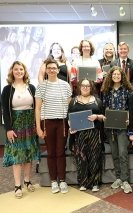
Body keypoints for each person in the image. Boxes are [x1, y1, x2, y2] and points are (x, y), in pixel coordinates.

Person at [1, 61, 40, 198]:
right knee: (17, 156)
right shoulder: (7, 89)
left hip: (30, 124)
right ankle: (18, 185)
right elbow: (5, 110)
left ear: (25, 71)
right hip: (15, 126)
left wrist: (37, 125)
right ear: (12, 71)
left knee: (29, 154)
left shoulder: (32, 87)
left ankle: (27, 181)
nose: (19, 71)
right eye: (16, 69)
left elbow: (37, 108)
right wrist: (8, 129)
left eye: (21, 69)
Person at [35, 59, 72, 194]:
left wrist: (70, 123)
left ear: (58, 70)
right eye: (49, 68)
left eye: (54, 68)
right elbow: (38, 109)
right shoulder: (41, 86)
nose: (51, 70)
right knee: (51, 153)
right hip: (47, 123)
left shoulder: (65, 85)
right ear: (46, 70)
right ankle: (53, 181)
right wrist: (38, 127)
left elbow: (69, 107)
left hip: (62, 123)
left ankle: (62, 180)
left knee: (60, 152)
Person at [101, 66, 133, 194]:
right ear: (110, 76)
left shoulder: (127, 90)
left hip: (122, 126)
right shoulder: (106, 90)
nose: (116, 76)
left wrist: (129, 118)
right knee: (114, 153)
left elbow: (130, 108)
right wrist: (105, 116)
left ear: (122, 76)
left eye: (118, 74)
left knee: (122, 153)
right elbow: (105, 107)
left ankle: (125, 180)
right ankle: (119, 178)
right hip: (110, 127)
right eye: (114, 74)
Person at [68, 79, 105, 192]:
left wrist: (97, 116)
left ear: (91, 87)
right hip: (78, 134)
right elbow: (68, 117)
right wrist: (71, 127)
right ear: (79, 87)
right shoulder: (73, 101)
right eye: (83, 85)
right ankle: (83, 182)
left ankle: (95, 183)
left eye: (87, 86)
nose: (85, 87)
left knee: (95, 158)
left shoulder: (97, 101)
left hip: (94, 133)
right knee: (81, 158)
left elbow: (104, 117)